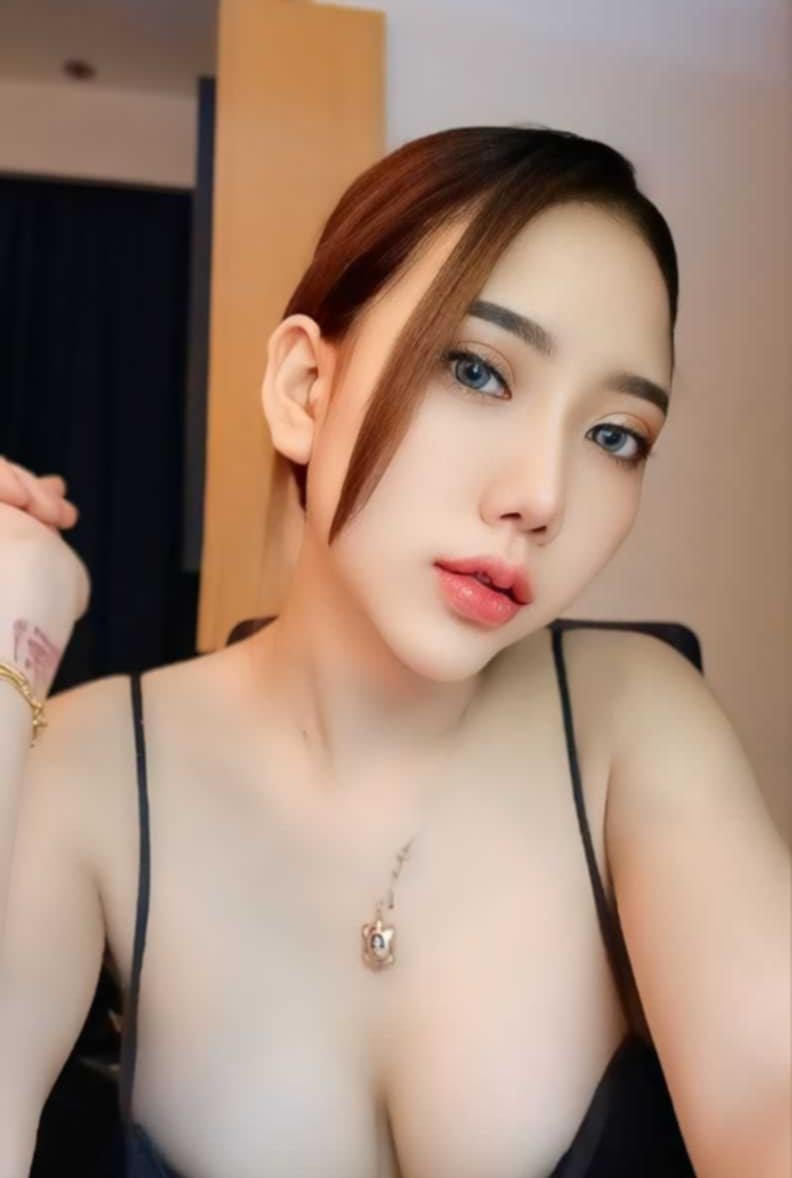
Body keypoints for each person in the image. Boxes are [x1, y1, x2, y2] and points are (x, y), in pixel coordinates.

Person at [1, 125, 789, 1178]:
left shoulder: (636, 720)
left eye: (616, 436)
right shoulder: (87, 762)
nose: (543, 496)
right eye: (478, 368)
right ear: (304, 389)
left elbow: (770, 1095)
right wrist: (9, 634)